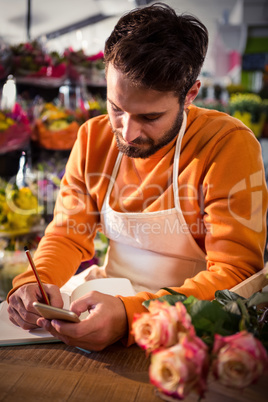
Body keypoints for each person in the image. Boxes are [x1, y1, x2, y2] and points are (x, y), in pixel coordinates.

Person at [7, 3, 267, 351]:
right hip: (103, 302)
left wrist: (133, 315)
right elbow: (69, 234)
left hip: (192, 329)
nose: (127, 133)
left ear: (189, 95)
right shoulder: (93, 138)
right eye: (116, 108)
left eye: (150, 117)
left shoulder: (227, 146)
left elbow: (235, 276)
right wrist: (34, 282)